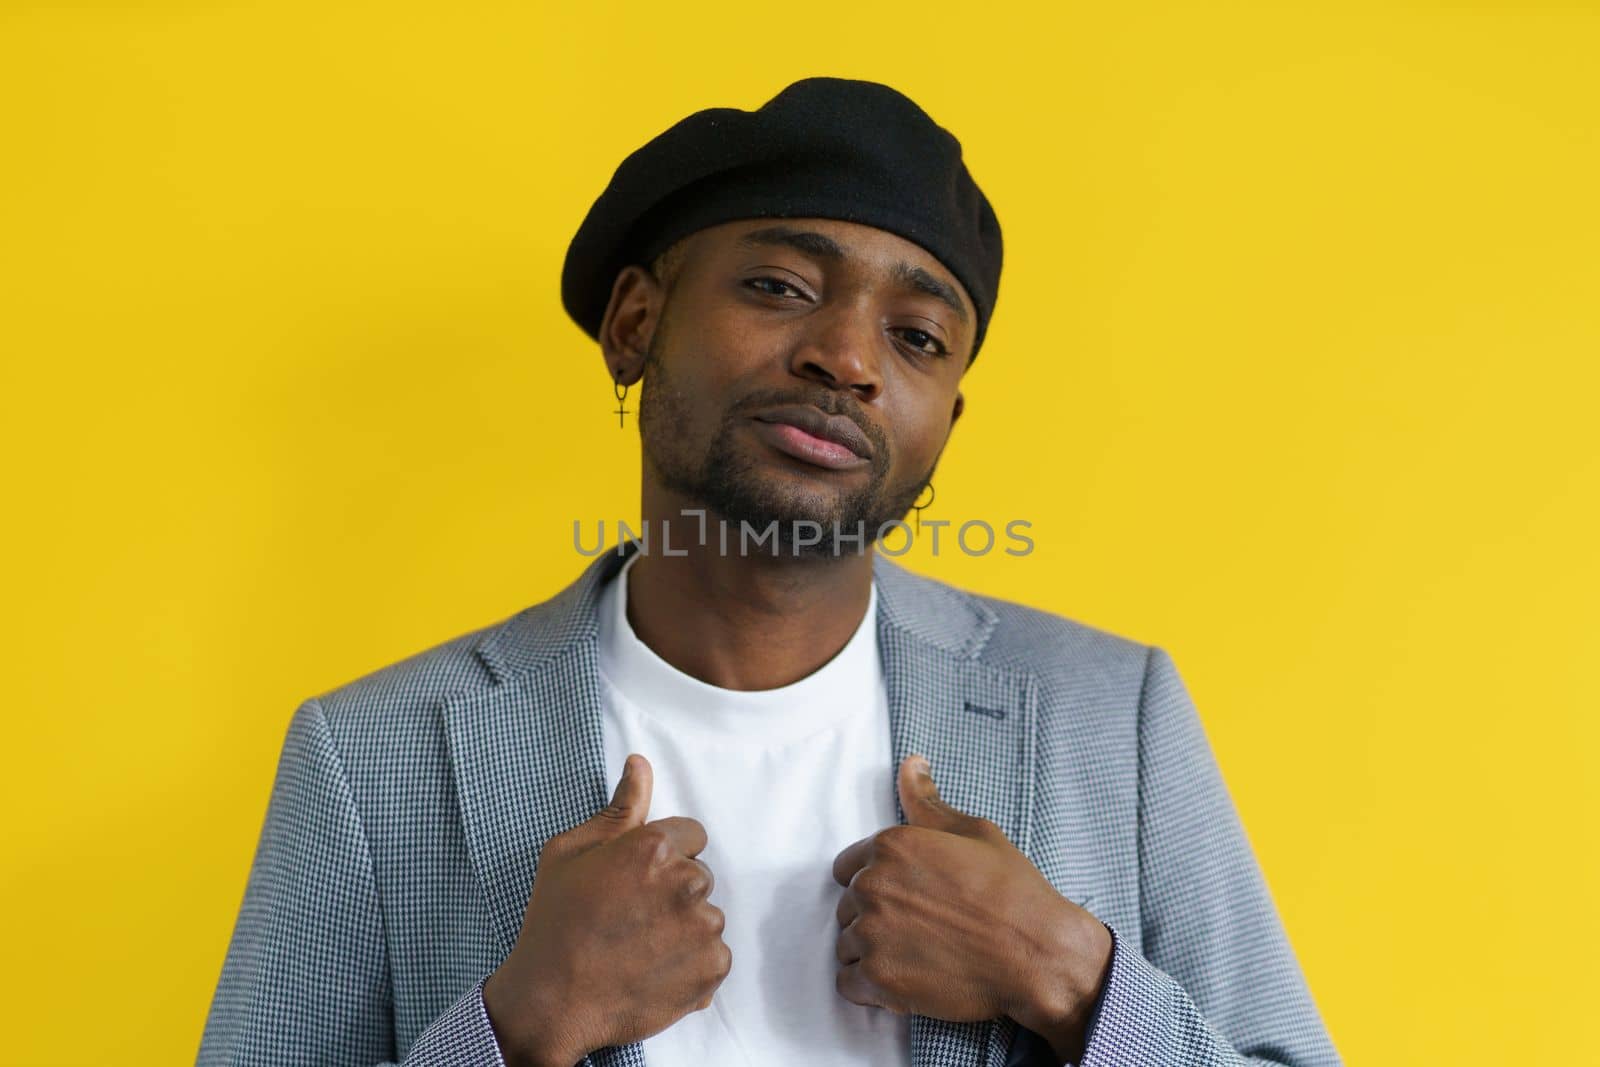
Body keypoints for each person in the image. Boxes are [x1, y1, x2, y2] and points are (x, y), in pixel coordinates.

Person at [198, 77, 1341, 1067]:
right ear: (636, 323)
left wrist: (1066, 972)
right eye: (781, 286)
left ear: (947, 417)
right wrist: (518, 1025)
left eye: (916, 337)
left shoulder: (1113, 713)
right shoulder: (371, 751)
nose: (843, 356)